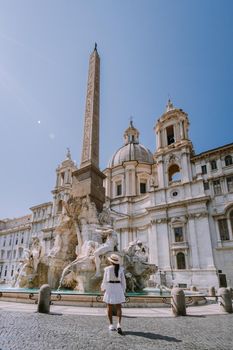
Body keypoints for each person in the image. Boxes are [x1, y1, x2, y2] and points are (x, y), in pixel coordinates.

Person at [101, 253, 126, 334]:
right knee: (119, 307)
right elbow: (123, 282)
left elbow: (104, 280)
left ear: (111, 261)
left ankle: (111, 325)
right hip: (118, 287)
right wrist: (123, 290)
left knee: (109, 307)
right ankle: (119, 324)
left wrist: (103, 288)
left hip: (110, 287)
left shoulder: (107, 269)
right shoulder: (121, 269)